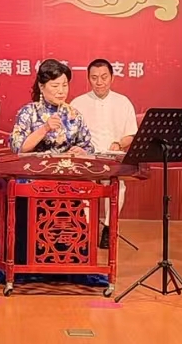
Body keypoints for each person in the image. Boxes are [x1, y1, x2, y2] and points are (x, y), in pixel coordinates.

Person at [0, 59, 100, 287]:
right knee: (22, 195)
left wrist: (81, 151)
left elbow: (88, 146)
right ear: (42, 87)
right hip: (31, 180)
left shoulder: (74, 114)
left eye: (64, 85)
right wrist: (44, 128)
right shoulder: (29, 112)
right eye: (55, 86)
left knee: (72, 199)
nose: (61, 91)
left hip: (63, 179)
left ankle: (66, 262)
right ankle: (24, 264)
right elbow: (18, 147)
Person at [69, 59, 137, 249]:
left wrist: (119, 143)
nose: (99, 82)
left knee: (117, 185)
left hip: (112, 157)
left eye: (104, 77)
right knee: (83, 186)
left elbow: (131, 135)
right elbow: (70, 135)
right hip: (86, 158)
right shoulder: (78, 103)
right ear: (88, 79)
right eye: (94, 78)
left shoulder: (123, 102)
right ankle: (86, 228)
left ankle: (109, 227)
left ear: (112, 78)